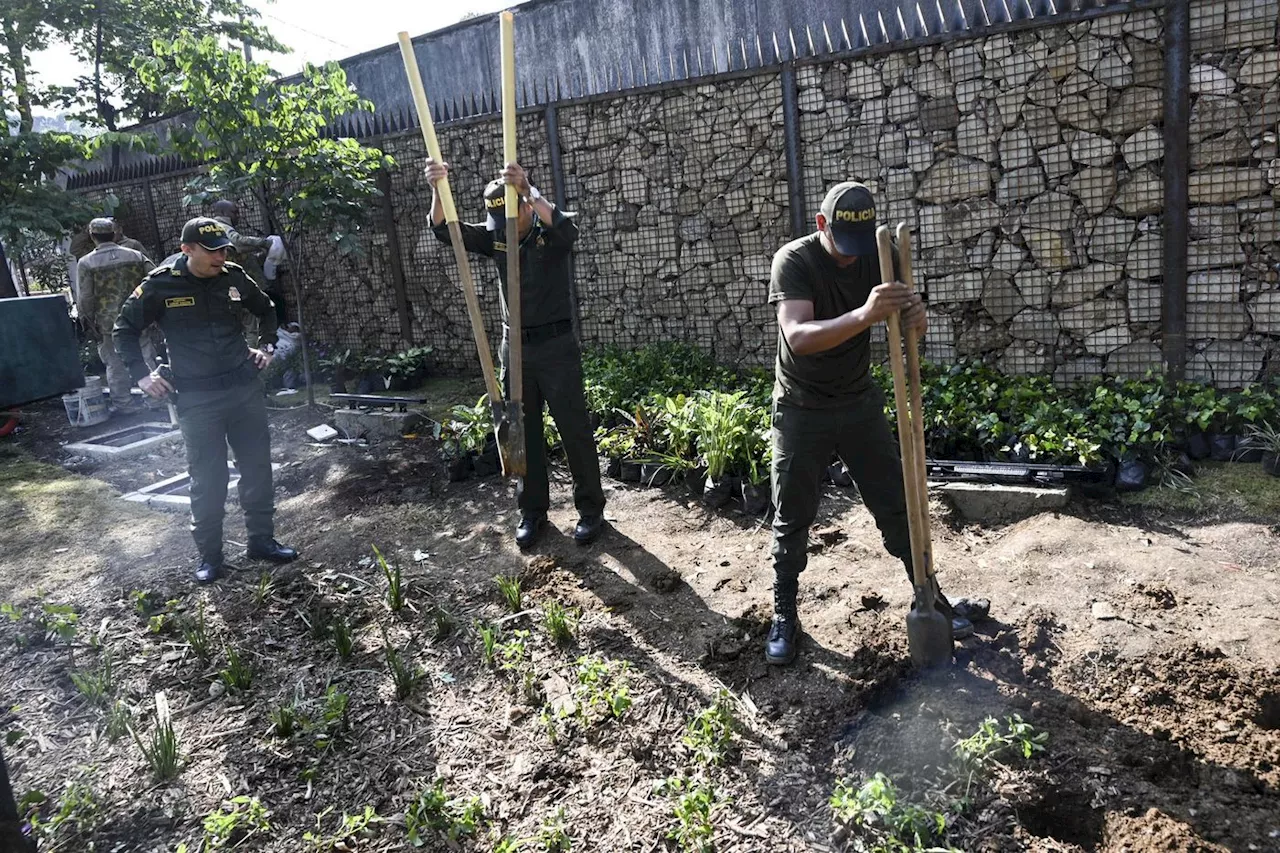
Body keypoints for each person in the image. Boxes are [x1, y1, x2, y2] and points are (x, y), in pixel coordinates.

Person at [765, 181, 975, 666]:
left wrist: (915, 317)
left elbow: (908, 327)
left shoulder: (880, 256)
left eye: (859, 247)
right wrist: (865, 313)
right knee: (792, 516)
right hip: (802, 408)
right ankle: (785, 614)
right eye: (844, 244)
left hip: (857, 402)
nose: (851, 258)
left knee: (896, 502)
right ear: (822, 226)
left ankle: (928, 594)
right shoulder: (793, 261)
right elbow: (797, 336)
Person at [425, 158, 605, 549]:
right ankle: (532, 512)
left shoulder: (548, 231)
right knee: (520, 432)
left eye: (511, 218)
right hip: (516, 348)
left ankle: (591, 510)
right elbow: (445, 230)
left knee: (574, 429)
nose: (504, 230)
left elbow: (568, 228)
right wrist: (439, 190)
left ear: (524, 207)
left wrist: (529, 189)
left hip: (556, 347)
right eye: (498, 224)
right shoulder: (496, 237)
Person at [113, 217, 298, 583]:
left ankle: (261, 541)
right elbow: (124, 330)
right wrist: (141, 375)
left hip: (243, 389)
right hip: (197, 398)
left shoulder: (234, 276)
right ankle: (210, 556)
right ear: (187, 250)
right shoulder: (160, 285)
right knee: (208, 478)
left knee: (258, 468)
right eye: (213, 251)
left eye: (225, 250)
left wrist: (268, 346)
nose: (221, 256)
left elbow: (266, 308)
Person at [76, 217, 156, 413]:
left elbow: (86, 297)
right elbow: (155, 280)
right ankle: (155, 398)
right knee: (146, 356)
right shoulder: (136, 255)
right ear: (114, 233)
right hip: (138, 316)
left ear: (92, 236)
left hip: (107, 322)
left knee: (114, 363)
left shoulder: (86, 263)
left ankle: (124, 404)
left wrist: (87, 319)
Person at [210, 200, 287, 329]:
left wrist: (263, 254)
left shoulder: (223, 230)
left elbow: (242, 257)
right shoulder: (221, 227)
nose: (238, 215)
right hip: (239, 286)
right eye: (234, 212)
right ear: (223, 213)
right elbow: (238, 243)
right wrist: (264, 243)